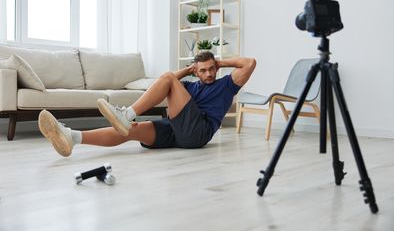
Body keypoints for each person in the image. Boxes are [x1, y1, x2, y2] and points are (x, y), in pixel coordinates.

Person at [38, 52, 256, 157]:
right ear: (195, 71)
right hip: (176, 129)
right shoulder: (190, 87)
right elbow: (164, 82)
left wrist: (220, 62)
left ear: (216, 68)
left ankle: (127, 113)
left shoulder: (227, 85)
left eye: (211, 69)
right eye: (203, 70)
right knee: (131, 131)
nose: (208, 74)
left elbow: (250, 63)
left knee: (169, 78)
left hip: (198, 132)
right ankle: (73, 137)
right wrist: (188, 69)